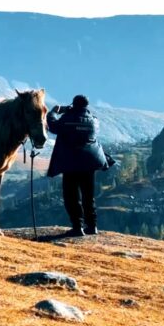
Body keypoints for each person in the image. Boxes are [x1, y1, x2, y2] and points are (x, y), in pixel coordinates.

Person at [46, 95, 113, 237]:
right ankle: (92, 226)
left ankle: (78, 227)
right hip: (90, 162)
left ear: (73, 104)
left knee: (71, 196)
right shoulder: (94, 121)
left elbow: (53, 125)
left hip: (72, 163)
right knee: (88, 196)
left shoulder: (68, 119)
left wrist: (54, 112)